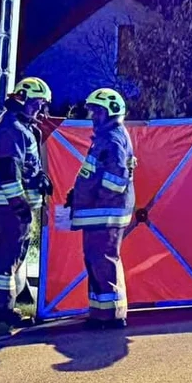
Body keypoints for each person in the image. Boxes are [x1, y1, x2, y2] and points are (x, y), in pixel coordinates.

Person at [0, 76, 52, 327]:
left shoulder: (14, 124)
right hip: (11, 205)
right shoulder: (12, 129)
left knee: (9, 252)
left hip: (10, 203)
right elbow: (9, 172)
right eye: (36, 104)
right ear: (22, 100)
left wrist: (39, 177)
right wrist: (20, 206)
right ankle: (2, 308)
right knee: (10, 253)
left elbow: (24, 165)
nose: (39, 110)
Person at [67, 88, 136, 329]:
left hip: (105, 213)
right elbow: (94, 174)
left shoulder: (113, 138)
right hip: (100, 212)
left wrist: (97, 199)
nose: (93, 116)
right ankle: (100, 314)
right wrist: (78, 195)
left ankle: (110, 316)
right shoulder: (107, 137)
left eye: (98, 111)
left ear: (112, 112)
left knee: (103, 262)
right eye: (93, 111)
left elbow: (116, 178)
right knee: (97, 262)